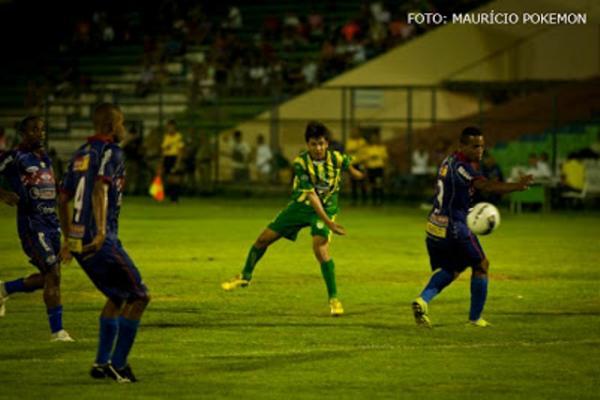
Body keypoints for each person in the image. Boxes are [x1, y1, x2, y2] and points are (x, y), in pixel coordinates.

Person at [221, 121, 365, 316]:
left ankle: (334, 300)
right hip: (301, 206)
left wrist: (358, 174)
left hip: (326, 208)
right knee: (263, 239)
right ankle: (245, 276)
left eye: (321, 143)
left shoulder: (336, 158)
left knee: (320, 248)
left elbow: (349, 164)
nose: (318, 148)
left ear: (327, 143)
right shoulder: (300, 163)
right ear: (307, 145)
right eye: (314, 144)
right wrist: (330, 223)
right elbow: (312, 196)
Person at [58, 103, 150, 383]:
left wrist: (69, 239)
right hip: (102, 240)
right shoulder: (112, 151)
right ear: (111, 126)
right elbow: (100, 188)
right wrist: (99, 234)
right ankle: (119, 365)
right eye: (121, 124)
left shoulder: (80, 154)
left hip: (79, 241)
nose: (124, 129)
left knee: (117, 296)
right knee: (140, 296)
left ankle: (100, 364)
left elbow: (62, 198)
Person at [412, 127, 533, 328]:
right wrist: (517, 186)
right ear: (462, 146)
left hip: (435, 224)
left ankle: (422, 300)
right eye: (475, 146)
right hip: (455, 227)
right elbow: (485, 186)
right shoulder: (463, 167)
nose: (480, 150)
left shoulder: (448, 160)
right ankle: (475, 318)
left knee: (454, 267)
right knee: (481, 265)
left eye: (482, 146)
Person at [0, 116, 73, 341]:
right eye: (34, 130)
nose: (40, 134)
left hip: (52, 226)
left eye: (41, 130)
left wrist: (68, 235)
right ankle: (57, 332)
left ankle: (4, 289)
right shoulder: (14, 157)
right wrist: (2, 194)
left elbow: (58, 195)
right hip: (33, 226)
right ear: (23, 133)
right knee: (53, 274)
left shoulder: (45, 159)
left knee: (50, 277)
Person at [362, 129, 388, 205]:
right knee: (372, 185)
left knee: (379, 185)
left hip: (379, 168)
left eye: (375, 138)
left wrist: (385, 168)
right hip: (371, 169)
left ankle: (381, 200)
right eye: (372, 138)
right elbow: (365, 159)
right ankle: (374, 201)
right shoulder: (367, 149)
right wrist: (366, 168)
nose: (374, 139)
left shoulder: (382, 148)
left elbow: (385, 158)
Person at [160, 120, 184, 203]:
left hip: (174, 158)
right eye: (168, 127)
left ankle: (175, 198)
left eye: (171, 127)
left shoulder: (178, 137)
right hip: (167, 158)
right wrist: (162, 163)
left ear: (174, 128)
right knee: (169, 179)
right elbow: (164, 150)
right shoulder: (166, 137)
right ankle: (171, 197)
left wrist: (178, 162)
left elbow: (180, 151)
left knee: (175, 179)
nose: (169, 129)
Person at [345, 128, 368, 205]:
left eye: (356, 132)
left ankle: (364, 200)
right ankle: (354, 200)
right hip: (353, 164)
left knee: (362, 182)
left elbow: (365, 153)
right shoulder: (349, 142)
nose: (354, 133)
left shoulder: (362, 141)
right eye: (353, 131)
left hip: (360, 163)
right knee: (353, 183)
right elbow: (348, 152)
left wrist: (365, 163)